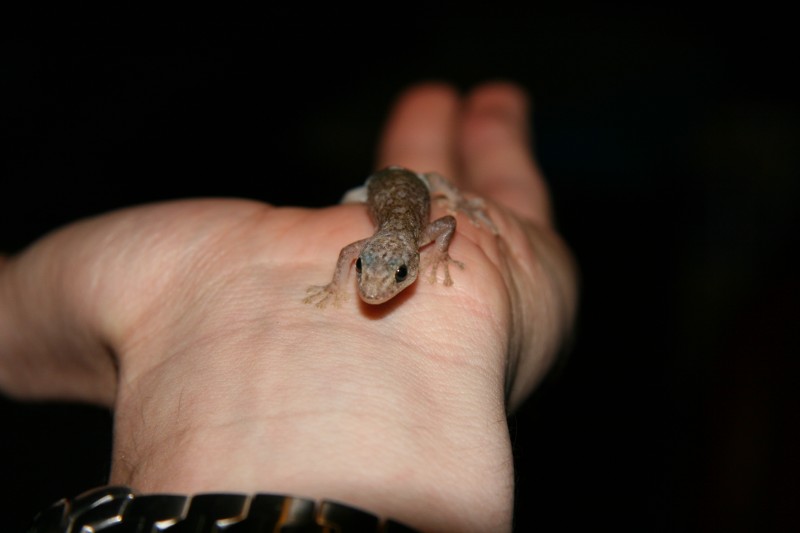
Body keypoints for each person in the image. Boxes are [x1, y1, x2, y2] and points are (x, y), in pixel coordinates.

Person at [0, 82, 577, 532]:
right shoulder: (370, 245)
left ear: (414, 255)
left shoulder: (426, 237)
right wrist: (334, 285)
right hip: (380, 185)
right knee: (372, 187)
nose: (375, 288)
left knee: (425, 179)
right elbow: (354, 247)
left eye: (395, 275)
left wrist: (442, 252)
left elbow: (444, 221)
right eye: (364, 272)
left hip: (413, 185)